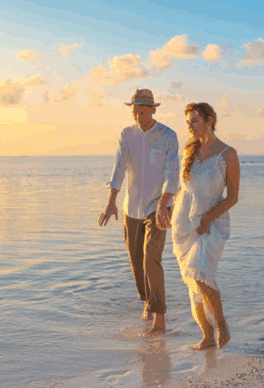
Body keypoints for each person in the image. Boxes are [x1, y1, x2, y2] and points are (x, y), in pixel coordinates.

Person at [98, 88, 180, 336]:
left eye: (142, 111)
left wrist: (165, 204)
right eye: (134, 111)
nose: (138, 116)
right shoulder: (127, 134)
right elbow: (119, 168)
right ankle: (147, 300)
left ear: (153, 109)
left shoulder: (168, 136)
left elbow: (172, 172)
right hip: (130, 208)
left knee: (150, 259)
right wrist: (111, 200)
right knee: (136, 263)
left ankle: (159, 318)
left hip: (158, 207)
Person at [170, 101, 240, 349]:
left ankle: (221, 324)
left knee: (200, 274)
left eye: (195, 121)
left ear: (210, 120)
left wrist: (207, 219)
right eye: (188, 122)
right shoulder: (189, 150)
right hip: (183, 223)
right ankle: (206, 335)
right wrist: (166, 209)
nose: (190, 126)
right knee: (191, 281)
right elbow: (183, 188)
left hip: (212, 223)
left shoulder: (228, 154)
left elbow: (232, 197)